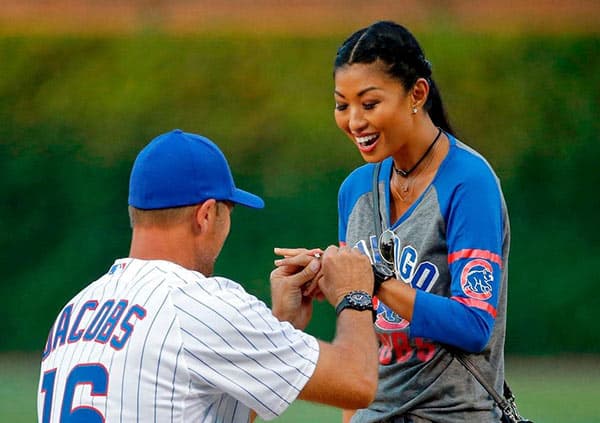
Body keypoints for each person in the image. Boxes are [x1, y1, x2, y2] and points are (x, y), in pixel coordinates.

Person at [37, 129, 378, 423]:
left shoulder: (74, 311)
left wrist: (282, 325)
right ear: (205, 215)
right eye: (227, 212)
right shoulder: (198, 303)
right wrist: (355, 294)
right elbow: (358, 382)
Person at [279, 21, 510, 422]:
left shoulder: (468, 183)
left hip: (451, 414)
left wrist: (374, 280)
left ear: (416, 94)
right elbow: (360, 328)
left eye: (369, 104)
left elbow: (474, 326)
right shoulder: (355, 191)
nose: (354, 121)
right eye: (342, 105)